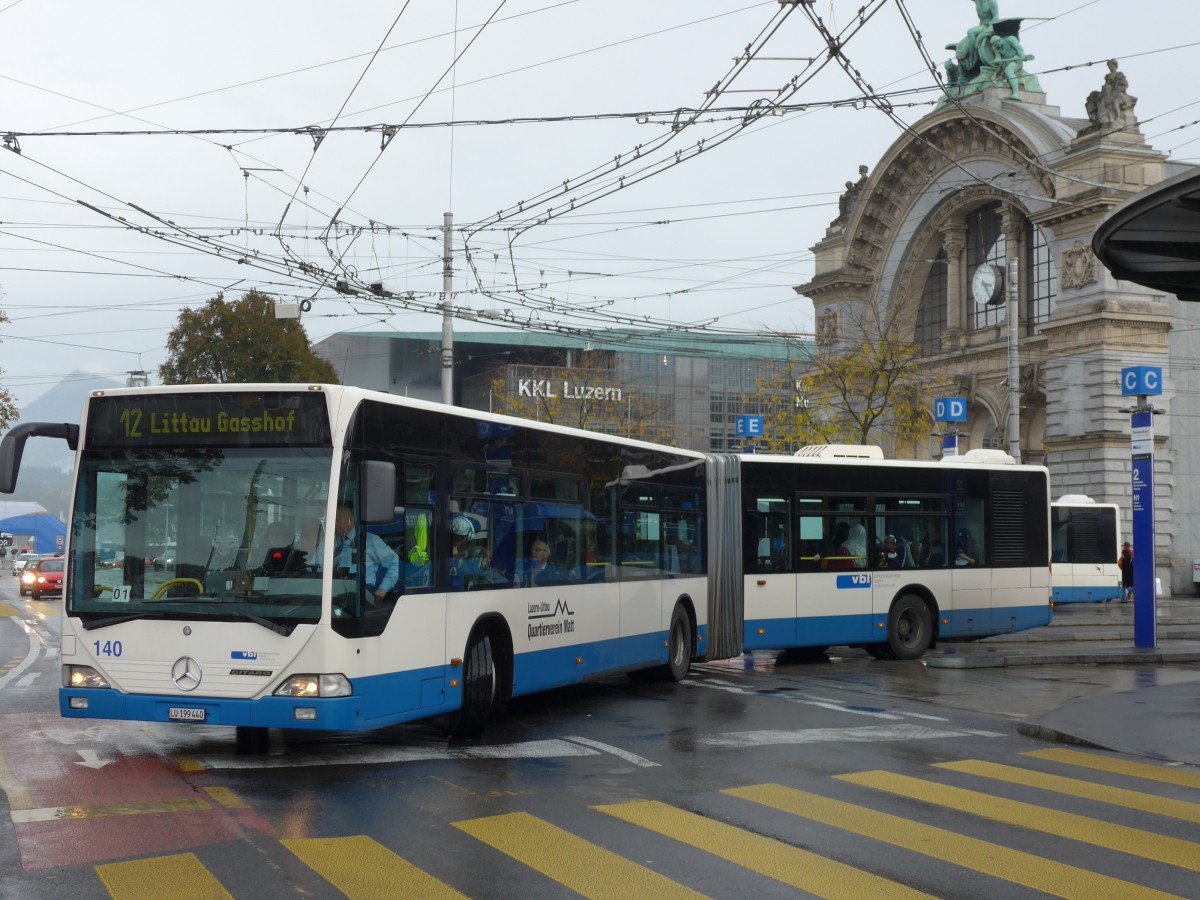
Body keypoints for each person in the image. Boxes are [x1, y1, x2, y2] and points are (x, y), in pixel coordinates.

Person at [315, 503, 400, 604]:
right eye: (332, 521)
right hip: (331, 593)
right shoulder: (328, 543)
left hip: (360, 595)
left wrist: (382, 590)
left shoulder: (369, 540)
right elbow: (314, 565)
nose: (335, 525)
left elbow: (394, 561)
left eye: (338, 520)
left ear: (350, 519)